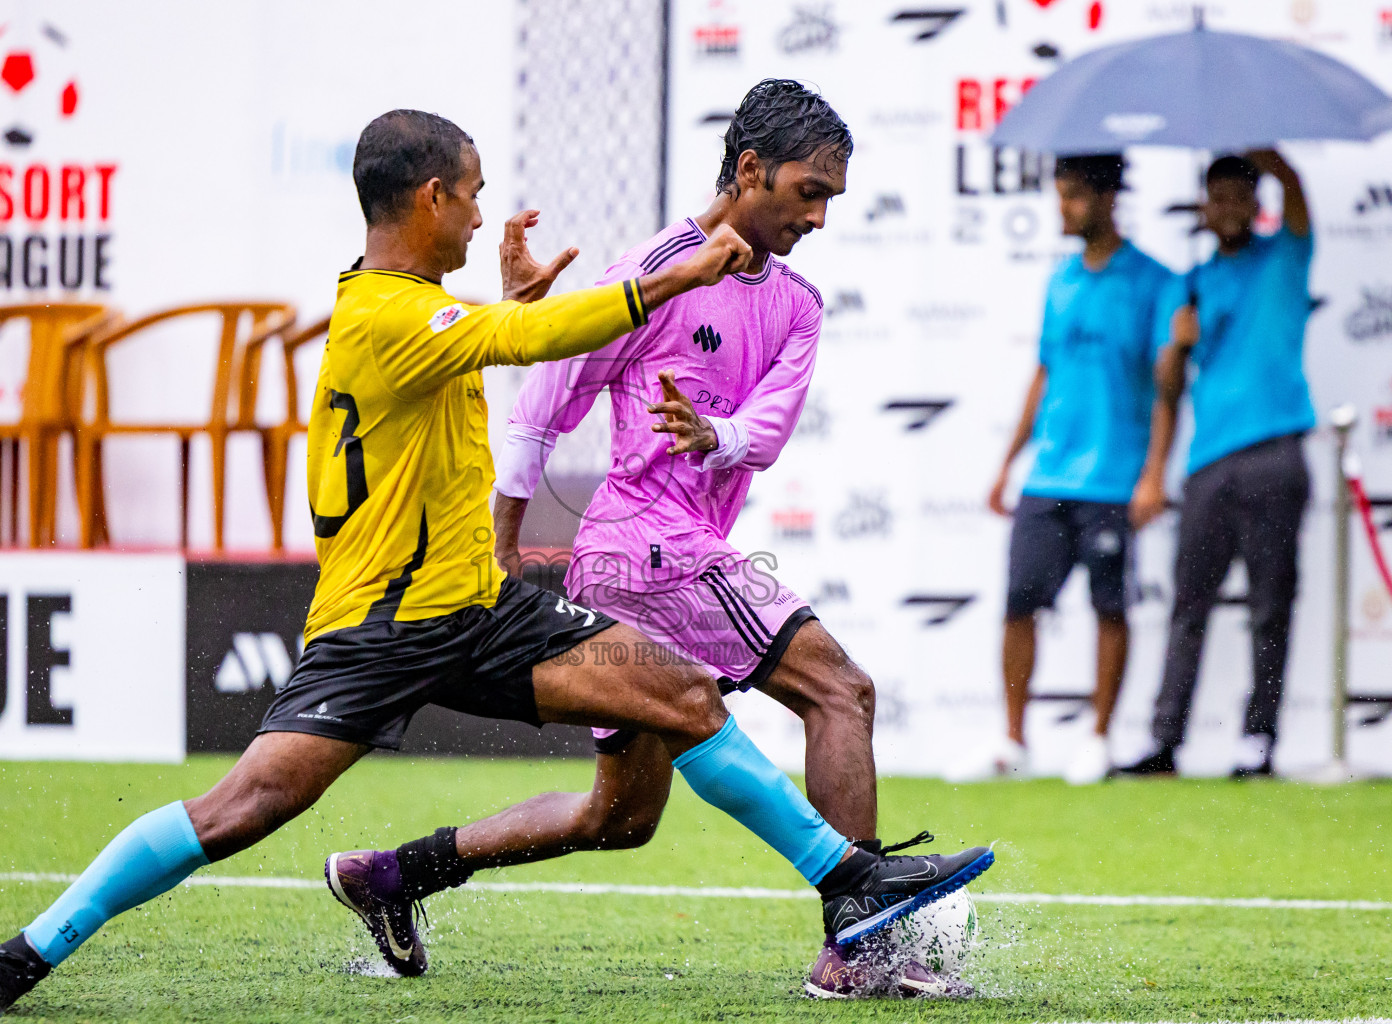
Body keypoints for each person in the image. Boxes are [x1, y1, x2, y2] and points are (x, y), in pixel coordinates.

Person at [0, 109, 992, 1019]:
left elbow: (497, 341)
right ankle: (25, 953)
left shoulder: (412, 313)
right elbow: (528, 350)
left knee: (678, 693)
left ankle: (847, 880)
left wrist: (521, 307)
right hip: (380, 631)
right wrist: (677, 275)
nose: (485, 217)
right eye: (475, 196)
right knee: (239, 811)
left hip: (476, 608)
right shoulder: (386, 317)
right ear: (432, 195)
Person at [327, 80, 972, 1002]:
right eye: (807, 191)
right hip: (647, 544)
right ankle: (857, 940)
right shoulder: (660, 267)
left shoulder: (798, 303)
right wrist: (504, 545)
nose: (821, 215)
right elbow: (549, 405)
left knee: (619, 816)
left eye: (832, 197)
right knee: (839, 689)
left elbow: (771, 429)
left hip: (664, 550)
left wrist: (718, 437)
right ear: (749, 171)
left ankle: (393, 875)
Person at [957, 154, 1175, 785]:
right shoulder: (1060, 280)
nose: (1064, 209)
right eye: (1060, 196)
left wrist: (1154, 472)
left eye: (1075, 197)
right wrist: (1007, 463)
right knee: (1019, 604)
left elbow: (1168, 388)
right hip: (1048, 475)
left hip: (1113, 477)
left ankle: (1098, 738)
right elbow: (1045, 373)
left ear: (1109, 199)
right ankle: (1012, 741)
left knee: (1109, 608)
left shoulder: (1157, 282)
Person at [1121, 150, 1315, 779]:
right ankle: (1166, 741)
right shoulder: (1191, 282)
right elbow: (1168, 389)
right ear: (1203, 204)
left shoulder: (1283, 256)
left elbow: (1297, 191)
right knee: (1189, 607)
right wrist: (1177, 344)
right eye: (1217, 195)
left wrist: (1267, 152)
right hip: (1207, 462)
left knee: (1270, 603)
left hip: (1275, 452)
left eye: (1240, 195)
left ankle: (1257, 740)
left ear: (1256, 203)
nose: (1227, 206)